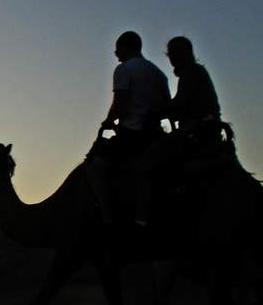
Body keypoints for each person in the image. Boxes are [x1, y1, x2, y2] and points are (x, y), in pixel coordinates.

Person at [133, 36, 221, 226]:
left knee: (144, 164)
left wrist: (152, 113)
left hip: (197, 133)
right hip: (204, 131)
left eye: (176, 53)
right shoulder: (193, 73)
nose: (173, 58)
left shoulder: (192, 72)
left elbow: (179, 104)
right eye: (171, 54)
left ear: (188, 53)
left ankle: (141, 220)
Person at [85, 31, 171, 226]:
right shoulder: (160, 75)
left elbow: (120, 102)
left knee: (95, 169)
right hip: (155, 135)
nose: (116, 55)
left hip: (131, 135)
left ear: (127, 47)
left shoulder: (124, 69)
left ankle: (108, 220)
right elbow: (166, 108)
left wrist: (108, 121)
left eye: (118, 50)